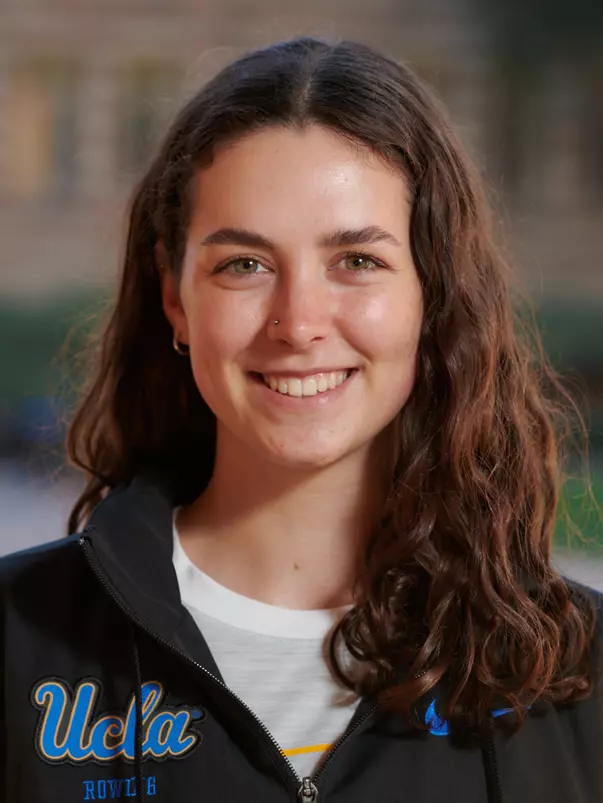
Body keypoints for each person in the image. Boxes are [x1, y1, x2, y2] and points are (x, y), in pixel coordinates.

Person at [0, 37, 601, 803]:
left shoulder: (577, 672)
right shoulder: (17, 641)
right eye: (243, 264)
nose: (298, 321)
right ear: (176, 298)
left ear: (431, 293)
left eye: (357, 261)